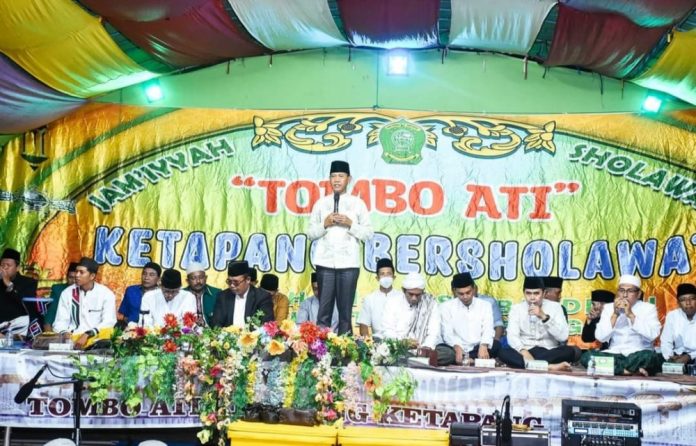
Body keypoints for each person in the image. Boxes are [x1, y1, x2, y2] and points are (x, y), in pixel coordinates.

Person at [307, 160, 373, 335]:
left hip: (349, 264)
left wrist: (351, 224)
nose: (336, 180)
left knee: (345, 313)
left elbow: (368, 234)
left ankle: (344, 348)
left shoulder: (358, 204)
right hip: (325, 263)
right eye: (333, 176)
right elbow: (310, 233)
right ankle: (320, 348)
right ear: (329, 179)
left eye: (341, 176)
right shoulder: (321, 203)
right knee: (323, 312)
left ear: (348, 179)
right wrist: (325, 224)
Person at [583, 274, 662, 376]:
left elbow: (653, 335)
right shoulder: (609, 308)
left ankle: (615, 369)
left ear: (638, 294)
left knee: (651, 357)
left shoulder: (648, 308)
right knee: (587, 357)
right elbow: (600, 337)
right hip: (615, 354)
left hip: (638, 353)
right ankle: (627, 370)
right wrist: (615, 315)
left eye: (630, 291)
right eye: (621, 290)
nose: (624, 295)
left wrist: (630, 315)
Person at [498, 277, 578, 371]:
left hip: (549, 351)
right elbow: (512, 336)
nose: (532, 297)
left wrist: (544, 317)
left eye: (536, 293)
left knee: (569, 351)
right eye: (528, 293)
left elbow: (563, 337)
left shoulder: (556, 307)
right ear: (524, 293)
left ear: (544, 293)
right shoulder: (516, 309)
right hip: (525, 350)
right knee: (502, 352)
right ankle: (549, 366)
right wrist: (523, 351)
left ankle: (530, 365)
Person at [53, 257, 117, 349]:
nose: (77, 275)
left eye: (81, 272)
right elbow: (60, 321)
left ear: (92, 276)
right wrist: (64, 333)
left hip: (97, 340)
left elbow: (109, 321)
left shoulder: (106, 294)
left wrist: (88, 334)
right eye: (76, 271)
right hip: (72, 340)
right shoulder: (67, 293)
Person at [437, 272, 500, 365]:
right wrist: (457, 347)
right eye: (461, 294)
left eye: (468, 292)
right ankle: (473, 360)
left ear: (473, 289)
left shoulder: (485, 305)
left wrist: (484, 345)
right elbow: (447, 333)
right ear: (454, 291)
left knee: (496, 346)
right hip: (456, 348)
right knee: (445, 352)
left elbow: (488, 328)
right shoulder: (445, 307)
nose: (465, 297)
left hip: (477, 348)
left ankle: (467, 359)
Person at [381, 272, 440, 350]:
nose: (414, 298)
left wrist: (426, 347)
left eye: (418, 295)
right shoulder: (392, 303)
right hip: (398, 348)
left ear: (423, 292)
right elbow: (387, 330)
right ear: (403, 290)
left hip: (422, 348)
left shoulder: (430, 304)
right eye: (411, 294)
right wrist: (403, 342)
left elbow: (434, 331)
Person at [210, 261, 273, 328]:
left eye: (236, 282)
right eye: (229, 281)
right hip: (226, 334)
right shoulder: (223, 296)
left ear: (248, 280)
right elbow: (216, 323)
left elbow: (266, 325)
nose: (232, 285)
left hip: (252, 334)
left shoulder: (262, 297)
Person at [358, 258, 400, 340]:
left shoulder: (401, 297)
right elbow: (363, 324)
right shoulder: (370, 299)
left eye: (389, 273)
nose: (386, 276)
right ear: (377, 278)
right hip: (377, 340)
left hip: (398, 340)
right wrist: (368, 343)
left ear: (394, 277)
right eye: (382, 274)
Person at [0, 248, 39, 337]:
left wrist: (8, 284)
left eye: (8, 265)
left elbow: (26, 304)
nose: (4, 268)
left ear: (17, 268)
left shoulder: (29, 282)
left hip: (19, 328)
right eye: (2, 265)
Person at [660, 283, 696, 365]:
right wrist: (670, 357)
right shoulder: (672, 316)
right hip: (678, 355)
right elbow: (666, 341)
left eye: (692, 298)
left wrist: (689, 356)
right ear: (678, 303)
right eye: (683, 300)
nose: (688, 303)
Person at [44, 262, 78, 332]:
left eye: (76, 278)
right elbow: (51, 313)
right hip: (60, 330)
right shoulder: (59, 290)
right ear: (66, 277)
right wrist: (50, 335)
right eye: (71, 277)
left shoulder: (85, 291)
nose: (73, 281)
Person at [184, 262, 220, 327]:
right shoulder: (181, 295)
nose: (198, 281)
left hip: (211, 330)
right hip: (187, 330)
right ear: (187, 281)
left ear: (206, 278)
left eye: (201, 277)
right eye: (193, 278)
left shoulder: (217, 293)